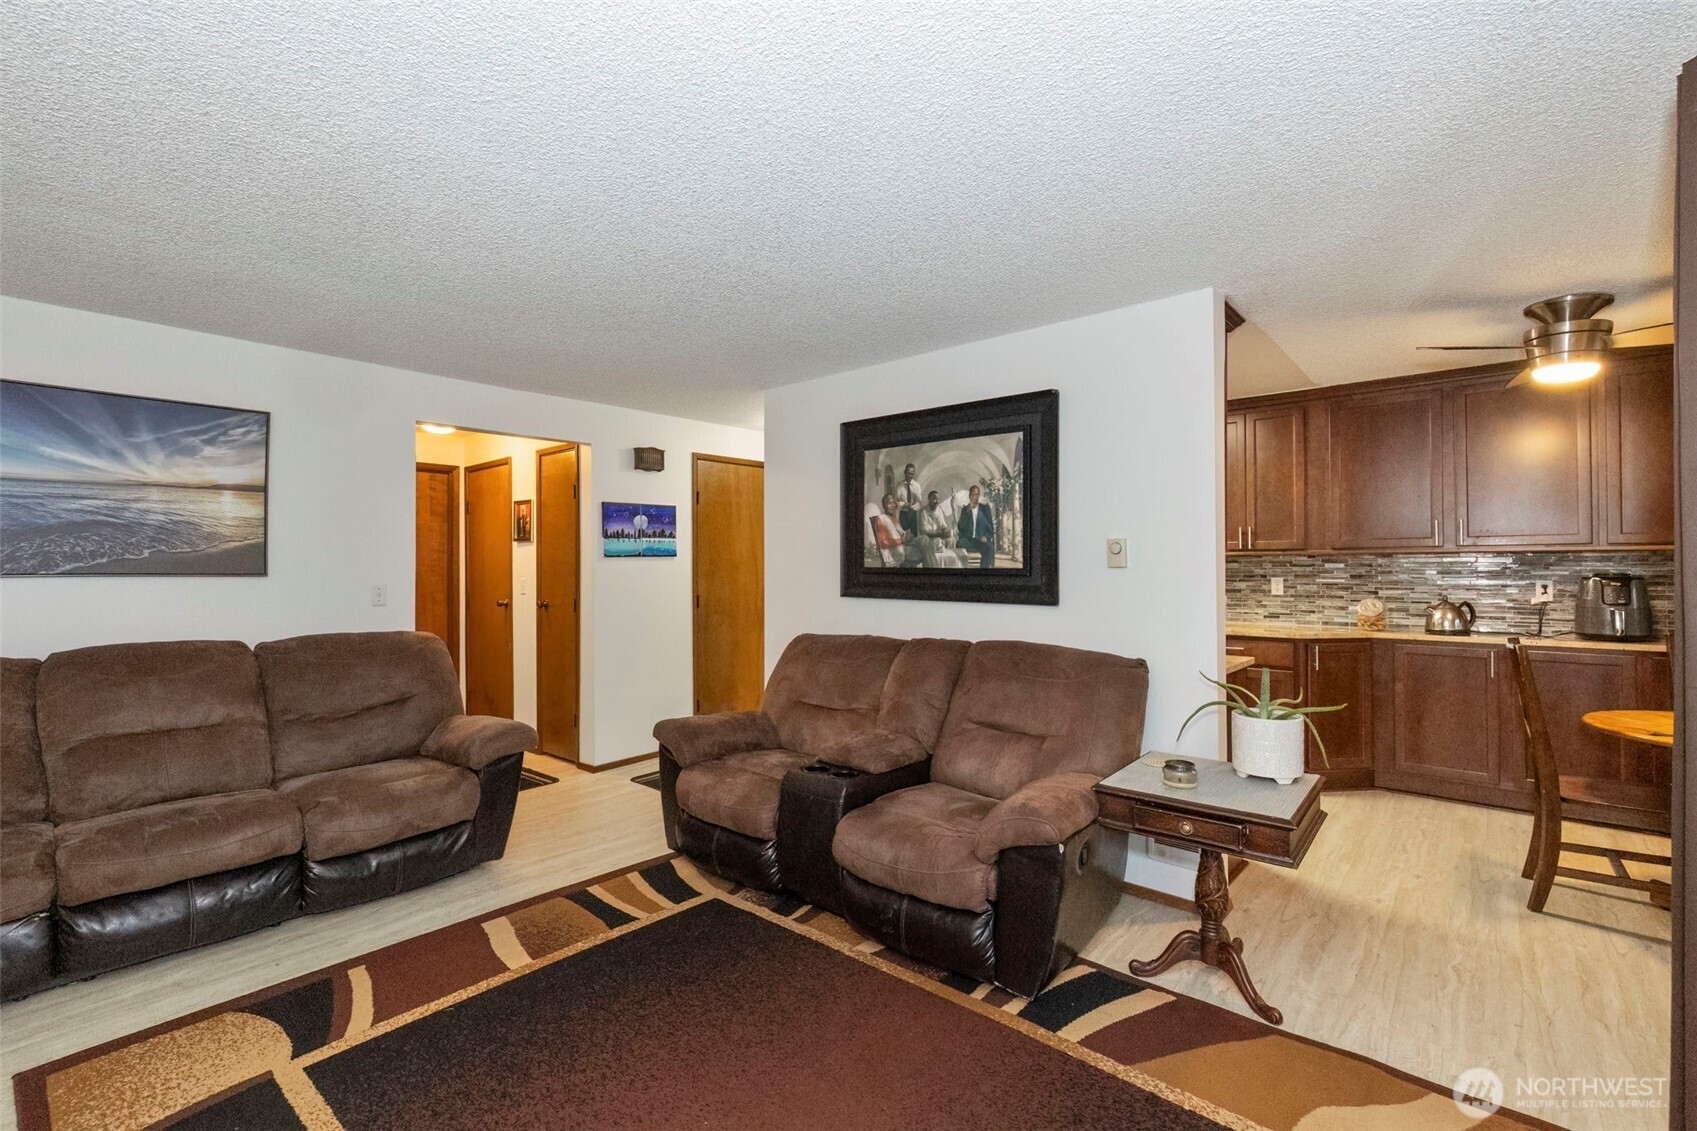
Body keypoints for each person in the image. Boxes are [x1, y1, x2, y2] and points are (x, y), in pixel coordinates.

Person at [917, 490, 962, 568]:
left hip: (938, 537)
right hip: (927, 539)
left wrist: (945, 533)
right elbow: (923, 532)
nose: (937, 501)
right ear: (929, 499)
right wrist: (940, 535)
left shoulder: (939, 510)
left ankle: (949, 565)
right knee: (934, 541)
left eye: (937, 499)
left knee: (951, 539)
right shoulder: (923, 512)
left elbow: (942, 525)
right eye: (934, 499)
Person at [870, 493, 915, 567]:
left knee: (924, 540)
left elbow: (902, 534)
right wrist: (902, 540)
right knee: (924, 548)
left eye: (894, 503)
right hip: (893, 554)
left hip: (902, 548)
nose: (893, 505)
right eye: (889, 503)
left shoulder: (894, 519)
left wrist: (908, 535)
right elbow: (885, 543)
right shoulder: (881, 519)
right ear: (884, 505)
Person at [957, 484, 996, 568]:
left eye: (976, 494)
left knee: (989, 548)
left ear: (979, 496)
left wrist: (986, 536)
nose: (974, 497)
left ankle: (983, 570)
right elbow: (960, 527)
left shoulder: (985, 509)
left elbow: (990, 527)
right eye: (972, 494)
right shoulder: (965, 510)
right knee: (959, 544)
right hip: (968, 540)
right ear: (969, 496)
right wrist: (967, 511)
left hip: (980, 540)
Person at [894, 463, 925, 538]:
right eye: (908, 473)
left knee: (914, 536)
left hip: (913, 514)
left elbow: (919, 502)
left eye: (912, 474)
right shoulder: (899, 485)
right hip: (903, 514)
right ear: (905, 472)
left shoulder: (917, 486)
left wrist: (911, 507)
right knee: (903, 535)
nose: (910, 476)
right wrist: (905, 504)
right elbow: (896, 501)